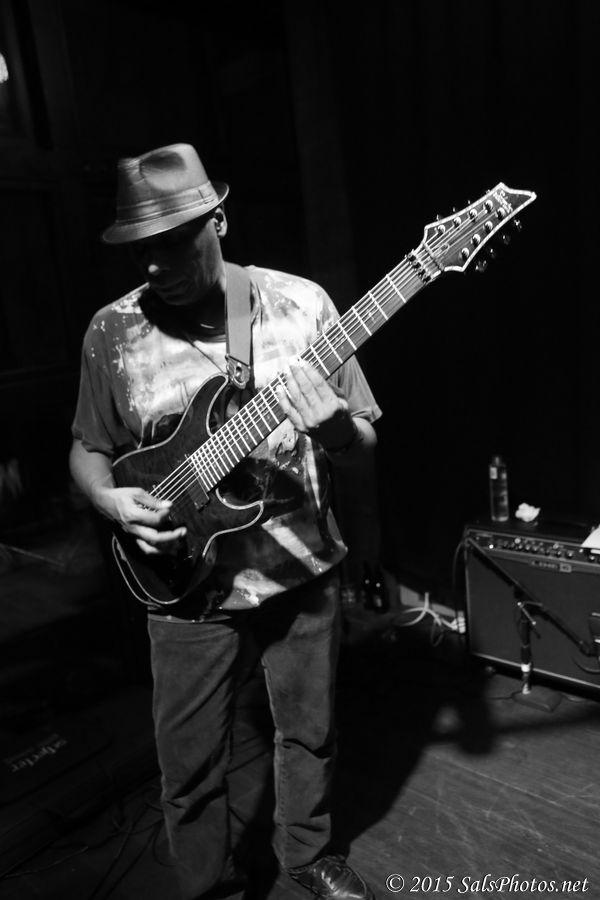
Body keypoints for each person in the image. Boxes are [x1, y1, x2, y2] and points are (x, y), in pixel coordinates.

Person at [69, 143, 381, 900]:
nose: (155, 264)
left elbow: (365, 444)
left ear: (219, 220)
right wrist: (109, 500)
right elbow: (87, 447)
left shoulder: (302, 307)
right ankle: (211, 885)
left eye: (174, 241)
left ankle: (307, 855)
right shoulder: (111, 332)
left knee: (309, 734)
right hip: (185, 587)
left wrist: (338, 429)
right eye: (140, 249)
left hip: (301, 570)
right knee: (189, 767)